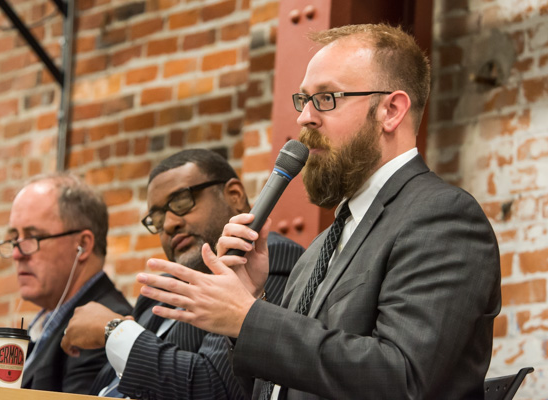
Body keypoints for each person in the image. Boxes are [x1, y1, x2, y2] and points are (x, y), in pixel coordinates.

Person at [135, 24, 502, 399]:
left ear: (391, 110)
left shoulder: (442, 217)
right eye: (304, 100)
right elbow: (280, 387)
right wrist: (252, 301)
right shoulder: (320, 247)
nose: (305, 117)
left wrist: (249, 320)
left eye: (326, 98)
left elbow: (402, 378)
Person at [60, 149, 304, 399]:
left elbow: (214, 387)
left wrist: (114, 330)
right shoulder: (162, 289)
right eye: (157, 216)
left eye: (181, 202)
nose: (168, 224)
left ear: (234, 195)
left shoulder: (264, 261)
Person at [0, 172, 132, 394]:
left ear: (83, 245)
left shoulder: (102, 327)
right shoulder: (49, 320)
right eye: (14, 239)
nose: (17, 254)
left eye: (32, 237)